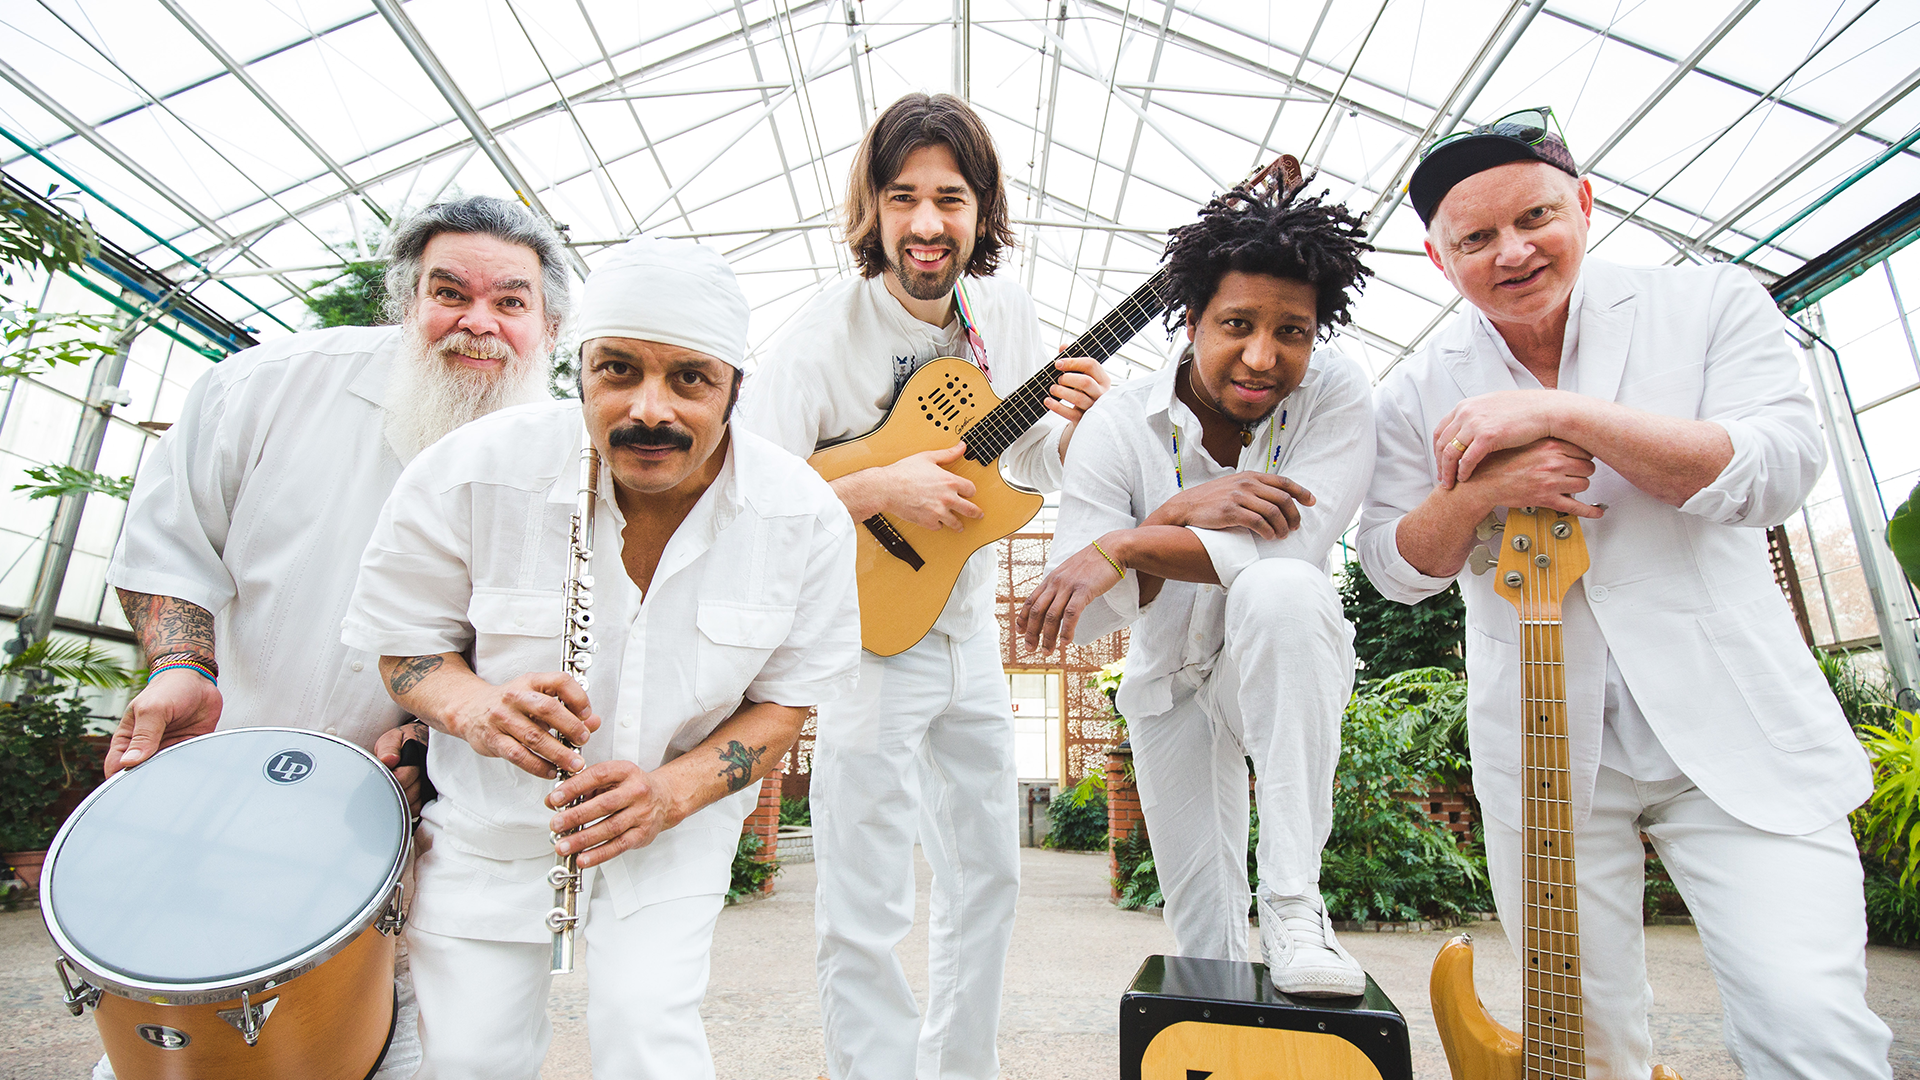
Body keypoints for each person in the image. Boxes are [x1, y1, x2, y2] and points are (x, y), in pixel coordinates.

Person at [1357, 106, 1890, 1077]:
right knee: (1585, 1048)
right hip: (1544, 752)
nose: (1513, 252)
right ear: (1438, 259)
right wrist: (1476, 494)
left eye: (1536, 217)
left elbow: (1779, 467)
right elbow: (1393, 571)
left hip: (1735, 730)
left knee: (1809, 1028)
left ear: (1586, 205)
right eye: (1476, 238)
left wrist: (1562, 414)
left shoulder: (1708, 304)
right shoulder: (1412, 389)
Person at [342, 235, 859, 1079]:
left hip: (676, 826)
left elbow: (787, 702)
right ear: (578, 370)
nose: (650, 410)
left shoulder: (802, 516)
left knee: (648, 1037)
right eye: (618, 370)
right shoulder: (468, 472)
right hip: (489, 826)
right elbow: (406, 647)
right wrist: (477, 708)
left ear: (735, 389)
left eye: (690, 379)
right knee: (470, 1060)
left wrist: (669, 794)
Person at [102, 194, 572, 1080]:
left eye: (510, 301)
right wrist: (180, 666)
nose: (478, 322)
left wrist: (432, 734)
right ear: (406, 301)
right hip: (222, 787)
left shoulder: (566, 466)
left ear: (549, 327)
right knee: (186, 1041)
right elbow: (168, 542)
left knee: (400, 1047)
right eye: (450, 293)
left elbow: (538, 646)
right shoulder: (268, 386)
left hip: (404, 833)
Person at [737, 92, 1108, 1079]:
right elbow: (750, 499)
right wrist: (875, 487)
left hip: (967, 631)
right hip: (867, 637)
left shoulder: (1005, 314)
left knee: (988, 876)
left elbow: (1031, 466)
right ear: (873, 208)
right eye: (903, 198)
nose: (927, 223)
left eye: (950, 198)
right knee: (865, 892)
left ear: (983, 210)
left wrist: (1081, 427)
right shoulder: (822, 336)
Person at [1018, 181, 1375, 995]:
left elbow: (1289, 546)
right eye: (1237, 325)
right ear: (1191, 321)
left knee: (1286, 591)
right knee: (1203, 941)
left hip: (1278, 663)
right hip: (1167, 684)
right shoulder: (1118, 424)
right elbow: (1082, 604)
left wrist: (1130, 540)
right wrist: (1175, 514)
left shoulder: (1336, 395)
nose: (1262, 357)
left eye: (1292, 332)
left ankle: (1295, 906)